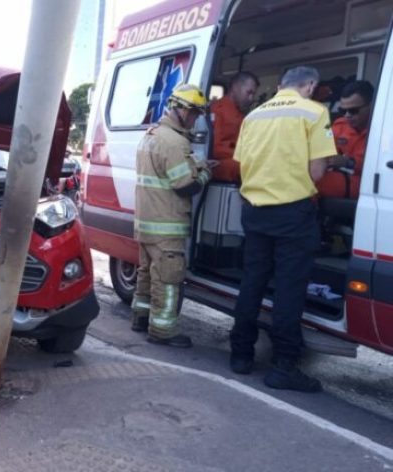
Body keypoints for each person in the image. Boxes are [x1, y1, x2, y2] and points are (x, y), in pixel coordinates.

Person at [229, 66, 336, 392]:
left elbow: (242, 164)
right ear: (311, 86)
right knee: (289, 289)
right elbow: (317, 171)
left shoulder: (254, 116)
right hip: (293, 214)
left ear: (281, 86)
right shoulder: (315, 112)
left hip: (255, 212)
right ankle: (284, 366)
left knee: (252, 282)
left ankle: (241, 354)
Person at [131, 84, 212, 348]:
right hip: (167, 225)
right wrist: (204, 173)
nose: (196, 119)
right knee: (167, 279)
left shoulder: (152, 134)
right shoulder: (175, 142)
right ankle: (163, 331)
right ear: (181, 110)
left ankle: (140, 318)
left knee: (146, 273)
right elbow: (185, 185)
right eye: (195, 113)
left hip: (147, 223)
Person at [316, 80, 374, 199]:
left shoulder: (383, 131)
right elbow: (322, 147)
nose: (347, 115)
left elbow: (383, 165)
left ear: (371, 106)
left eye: (353, 111)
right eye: (343, 111)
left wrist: (348, 162)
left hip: (367, 184)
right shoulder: (339, 126)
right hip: (341, 177)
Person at [209, 71, 259, 183]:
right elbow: (213, 149)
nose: (251, 98)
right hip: (220, 164)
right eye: (249, 93)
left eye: (253, 94)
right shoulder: (218, 110)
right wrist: (244, 154)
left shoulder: (240, 114)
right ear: (235, 87)